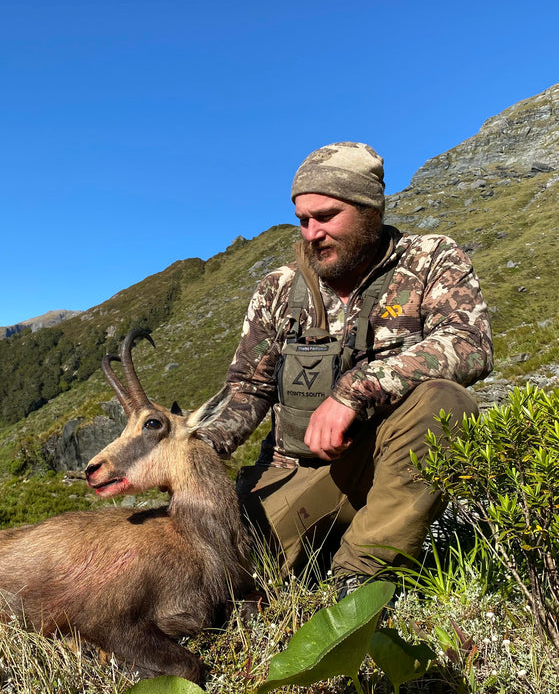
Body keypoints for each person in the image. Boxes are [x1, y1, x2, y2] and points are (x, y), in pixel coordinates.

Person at [197, 141, 493, 585]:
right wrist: (195, 451)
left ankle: (360, 582)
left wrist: (355, 391)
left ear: (370, 209)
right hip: (294, 474)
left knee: (445, 401)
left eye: (326, 216)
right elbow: (248, 389)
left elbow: (469, 343)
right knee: (217, 575)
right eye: (303, 220)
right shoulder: (278, 288)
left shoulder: (431, 260)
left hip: (388, 469)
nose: (311, 233)